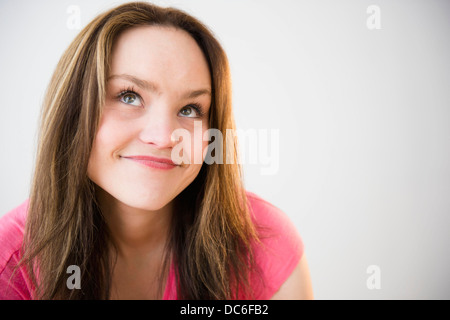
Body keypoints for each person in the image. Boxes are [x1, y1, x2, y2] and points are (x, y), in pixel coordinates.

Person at [0, 2, 313, 300]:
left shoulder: (264, 242)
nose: (164, 137)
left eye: (190, 109)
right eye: (129, 96)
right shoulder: (10, 265)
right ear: (73, 110)